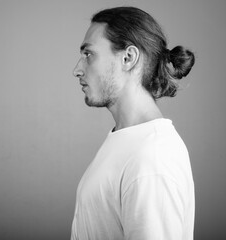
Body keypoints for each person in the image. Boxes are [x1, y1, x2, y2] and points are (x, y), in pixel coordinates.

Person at [71, 6, 195, 240]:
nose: (77, 69)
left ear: (128, 58)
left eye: (88, 55)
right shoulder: (129, 140)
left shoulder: (153, 157)